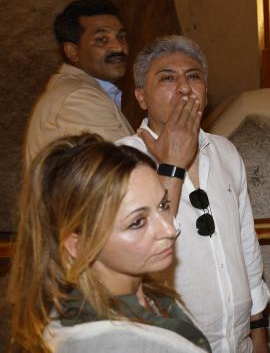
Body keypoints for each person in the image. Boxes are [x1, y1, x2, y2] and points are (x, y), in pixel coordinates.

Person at [116, 35, 270, 353]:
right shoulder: (120, 161)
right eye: (168, 78)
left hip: (238, 341)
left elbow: (246, 246)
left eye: (194, 76)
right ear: (141, 97)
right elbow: (136, 254)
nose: (185, 88)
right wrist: (170, 165)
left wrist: (258, 333)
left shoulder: (225, 151)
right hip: (168, 343)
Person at [8, 133, 211, 352]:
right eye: (137, 222)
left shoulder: (150, 294)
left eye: (163, 205)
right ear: (79, 245)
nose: (170, 229)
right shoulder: (103, 343)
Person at [24, 0, 133, 165]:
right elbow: (122, 174)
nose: (118, 47)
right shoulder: (78, 98)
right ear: (72, 51)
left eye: (122, 36)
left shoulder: (80, 91)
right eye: (102, 39)